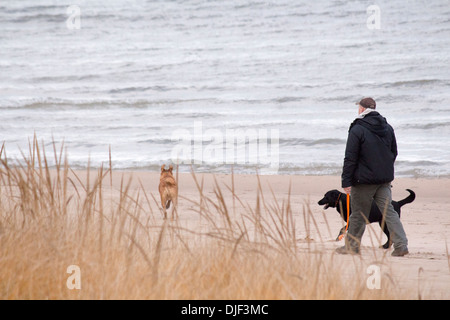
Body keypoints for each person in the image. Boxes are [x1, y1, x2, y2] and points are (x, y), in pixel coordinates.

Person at [336, 97, 409, 256]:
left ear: (362, 109)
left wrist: (346, 180)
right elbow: (393, 153)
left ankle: (352, 247)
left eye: (359, 108)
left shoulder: (357, 128)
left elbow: (350, 157)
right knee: (389, 212)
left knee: (358, 213)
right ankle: (401, 245)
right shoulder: (387, 127)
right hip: (384, 179)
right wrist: (383, 170)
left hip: (364, 180)